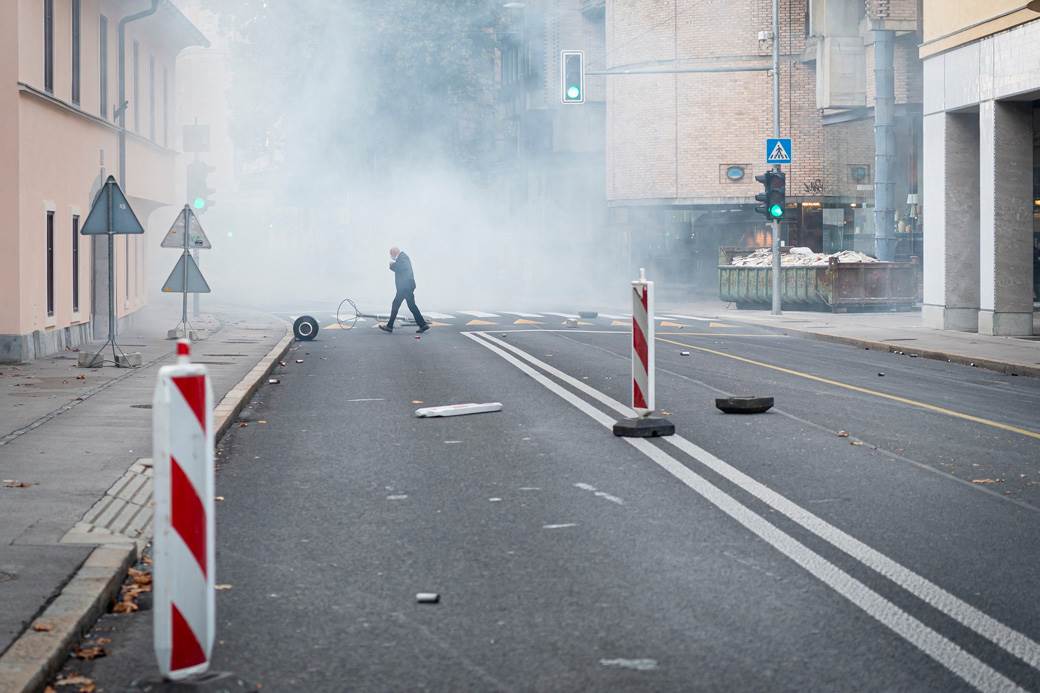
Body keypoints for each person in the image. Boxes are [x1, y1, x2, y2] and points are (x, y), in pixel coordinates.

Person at [379, 246, 430, 334]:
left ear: (394, 253)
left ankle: (389, 326)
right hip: (405, 287)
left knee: (396, 304)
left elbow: (402, 268)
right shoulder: (402, 258)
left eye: (391, 254)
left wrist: (392, 265)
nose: (391, 257)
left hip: (405, 287)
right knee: (411, 306)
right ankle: (423, 325)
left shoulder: (403, 257)